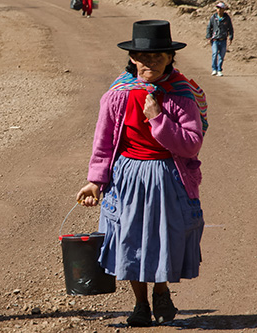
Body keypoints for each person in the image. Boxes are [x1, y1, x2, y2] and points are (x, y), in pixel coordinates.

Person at [76, 20, 207, 327]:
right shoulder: (118, 94)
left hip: (167, 178)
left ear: (170, 58)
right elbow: (104, 141)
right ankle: (139, 304)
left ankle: (161, 293)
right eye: (144, 57)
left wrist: (158, 119)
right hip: (127, 177)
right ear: (132, 58)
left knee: (162, 238)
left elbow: (191, 145)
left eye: (158, 56)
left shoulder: (180, 94)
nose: (150, 62)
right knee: (129, 238)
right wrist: (95, 181)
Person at [206, 2, 234, 76]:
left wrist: (230, 37)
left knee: (222, 55)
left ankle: (219, 69)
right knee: (215, 54)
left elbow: (230, 28)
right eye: (218, 8)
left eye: (220, 8)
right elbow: (209, 27)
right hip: (215, 40)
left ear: (224, 9)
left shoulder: (227, 18)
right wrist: (208, 37)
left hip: (223, 40)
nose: (219, 10)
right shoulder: (213, 17)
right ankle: (214, 69)